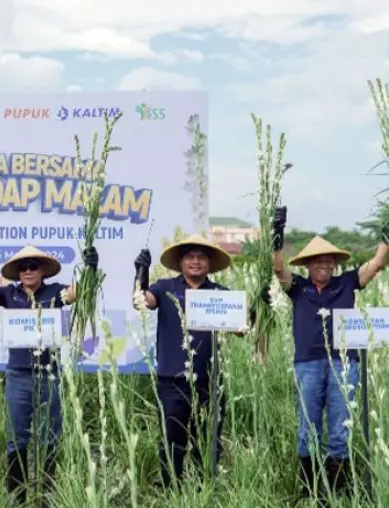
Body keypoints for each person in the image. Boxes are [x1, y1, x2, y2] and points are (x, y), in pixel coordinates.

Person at [0, 244, 97, 504]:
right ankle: (17, 496)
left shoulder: (55, 292)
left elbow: (80, 292)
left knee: (50, 436)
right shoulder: (9, 294)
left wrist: (90, 268)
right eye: (23, 267)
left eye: (33, 266)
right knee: (16, 436)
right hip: (18, 376)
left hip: (49, 374)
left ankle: (46, 495)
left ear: (42, 270)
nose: (28, 271)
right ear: (17, 272)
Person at [271, 206, 389, 498]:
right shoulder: (297, 287)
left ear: (335, 264)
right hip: (307, 366)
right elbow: (278, 269)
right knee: (308, 429)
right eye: (317, 261)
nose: (324, 265)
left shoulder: (347, 282)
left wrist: (386, 238)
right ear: (308, 265)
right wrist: (277, 235)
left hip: (344, 364)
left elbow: (375, 264)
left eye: (329, 261)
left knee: (340, 430)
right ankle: (310, 491)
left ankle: (335, 493)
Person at [132, 234, 267, 487]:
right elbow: (140, 302)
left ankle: (204, 485)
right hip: (171, 379)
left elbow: (242, 328)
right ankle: (171, 484)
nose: (195, 262)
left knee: (208, 436)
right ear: (181, 262)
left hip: (211, 379)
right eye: (190, 257)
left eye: (201, 257)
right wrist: (141, 273)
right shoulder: (165, 287)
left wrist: (259, 305)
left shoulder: (219, 294)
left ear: (209, 263)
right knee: (172, 435)